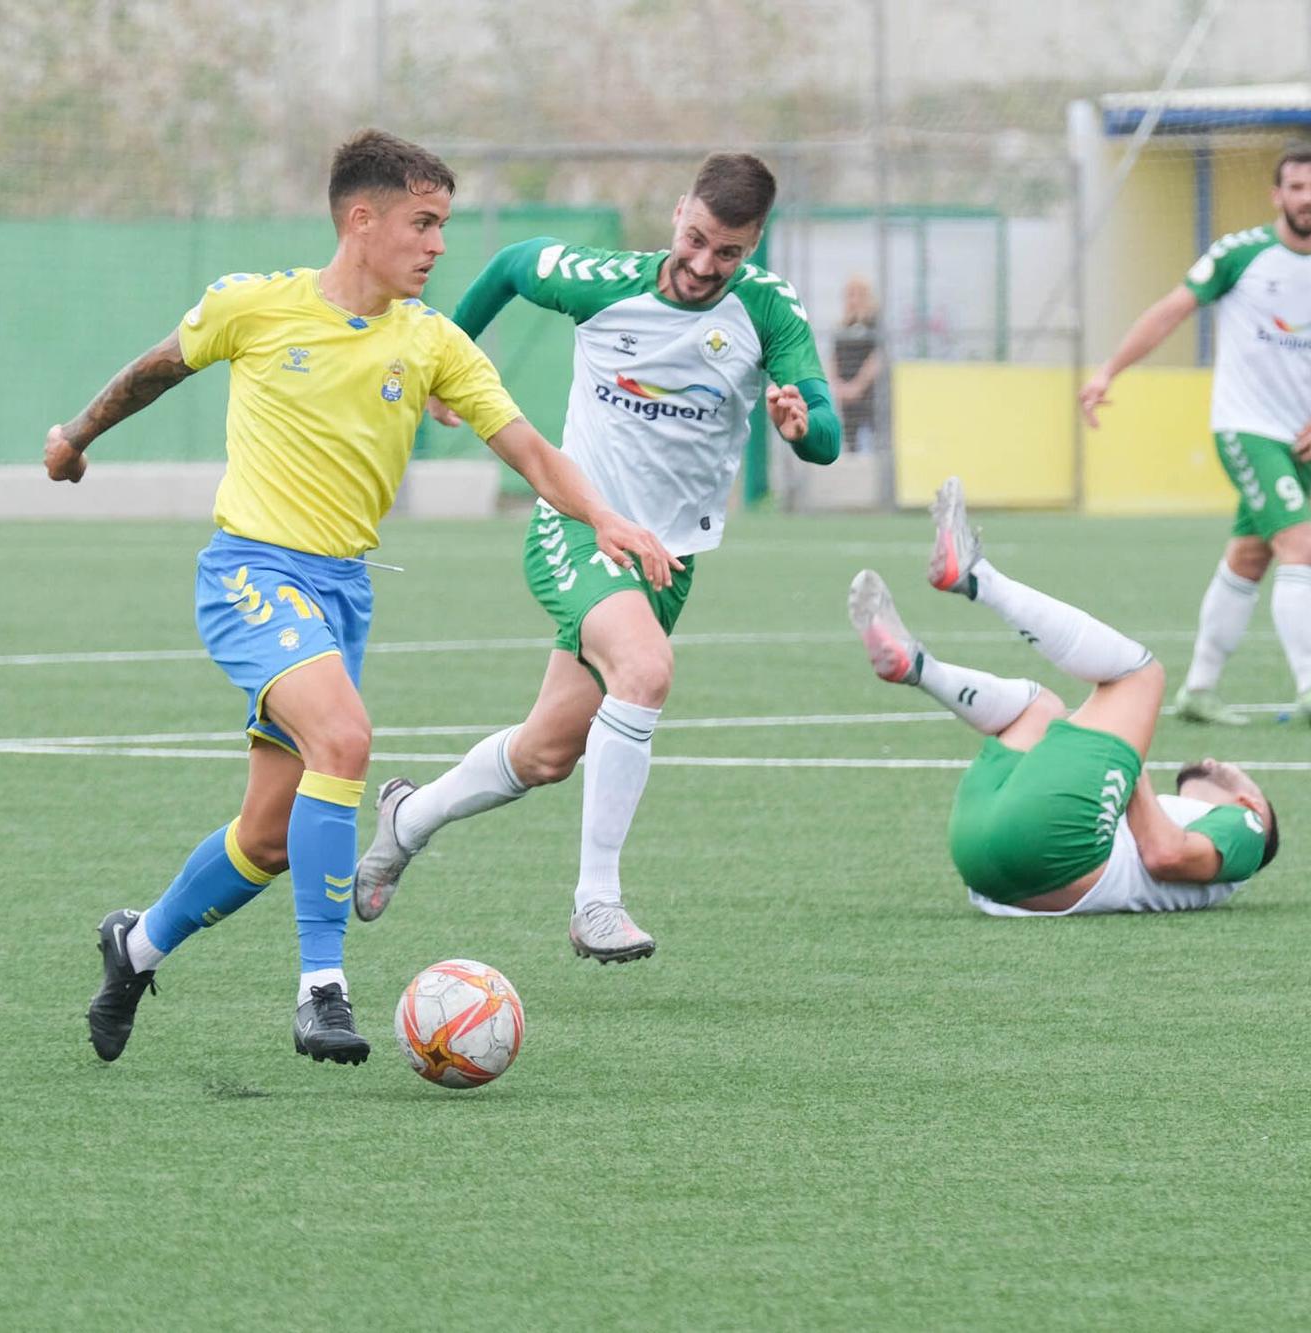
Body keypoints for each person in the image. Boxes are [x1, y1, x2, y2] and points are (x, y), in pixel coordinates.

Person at [46, 130, 673, 1065]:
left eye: (445, 226)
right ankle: (322, 989)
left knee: (269, 836)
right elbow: (154, 369)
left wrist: (605, 519)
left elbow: (534, 452)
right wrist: (75, 436)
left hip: (342, 593)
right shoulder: (254, 307)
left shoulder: (431, 344)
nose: (438, 245)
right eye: (423, 223)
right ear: (361, 218)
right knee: (344, 738)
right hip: (251, 574)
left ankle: (134, 946)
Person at [356, 152, 840, 961]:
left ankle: (407, 819)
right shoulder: (601, 279)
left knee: (546, 751)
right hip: (579, 526)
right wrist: (450, 361)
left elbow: (822, 425)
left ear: (754, 245)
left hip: (668, 562)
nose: (702, 264)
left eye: (729, 252)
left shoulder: (770, 310)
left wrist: (802, 425)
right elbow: (512, 265)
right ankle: (596, 902)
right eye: (695, 239)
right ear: (678, 211)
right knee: (645, 671)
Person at [848, 476, 1280, 917]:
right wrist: (1127, 766)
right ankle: (919, 668)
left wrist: (1131, 765)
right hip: (984, 857)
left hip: (1051, 856)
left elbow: (1164, 854)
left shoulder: (1248, 829)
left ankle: (978, 577)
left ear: (1251, 802)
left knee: (1141, 676)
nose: (1221, 764)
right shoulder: (1198, 825)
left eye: (1242, 776)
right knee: (1040, 708)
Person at [1079, 145, 1311, 728]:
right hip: (1245, 428)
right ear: (1276, 196)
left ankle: (1198, 690)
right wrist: (1110, 370)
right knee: (1300, 545)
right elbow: (1170, 310)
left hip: (1296, 438)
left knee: (1249, 559)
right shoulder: (1241, 255)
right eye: (1297, 187)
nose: (1308, 198)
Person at [827, 276, 886, 454]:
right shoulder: (842, 326)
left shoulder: (873, 324)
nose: (853, 299)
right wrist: (837, 385)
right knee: (850, 443)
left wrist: (857, 387)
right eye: (849, 294)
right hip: (845, 396)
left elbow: (876, 358)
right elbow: (834, 357)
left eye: (858, 294)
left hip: (869, 397)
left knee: (871, 443)